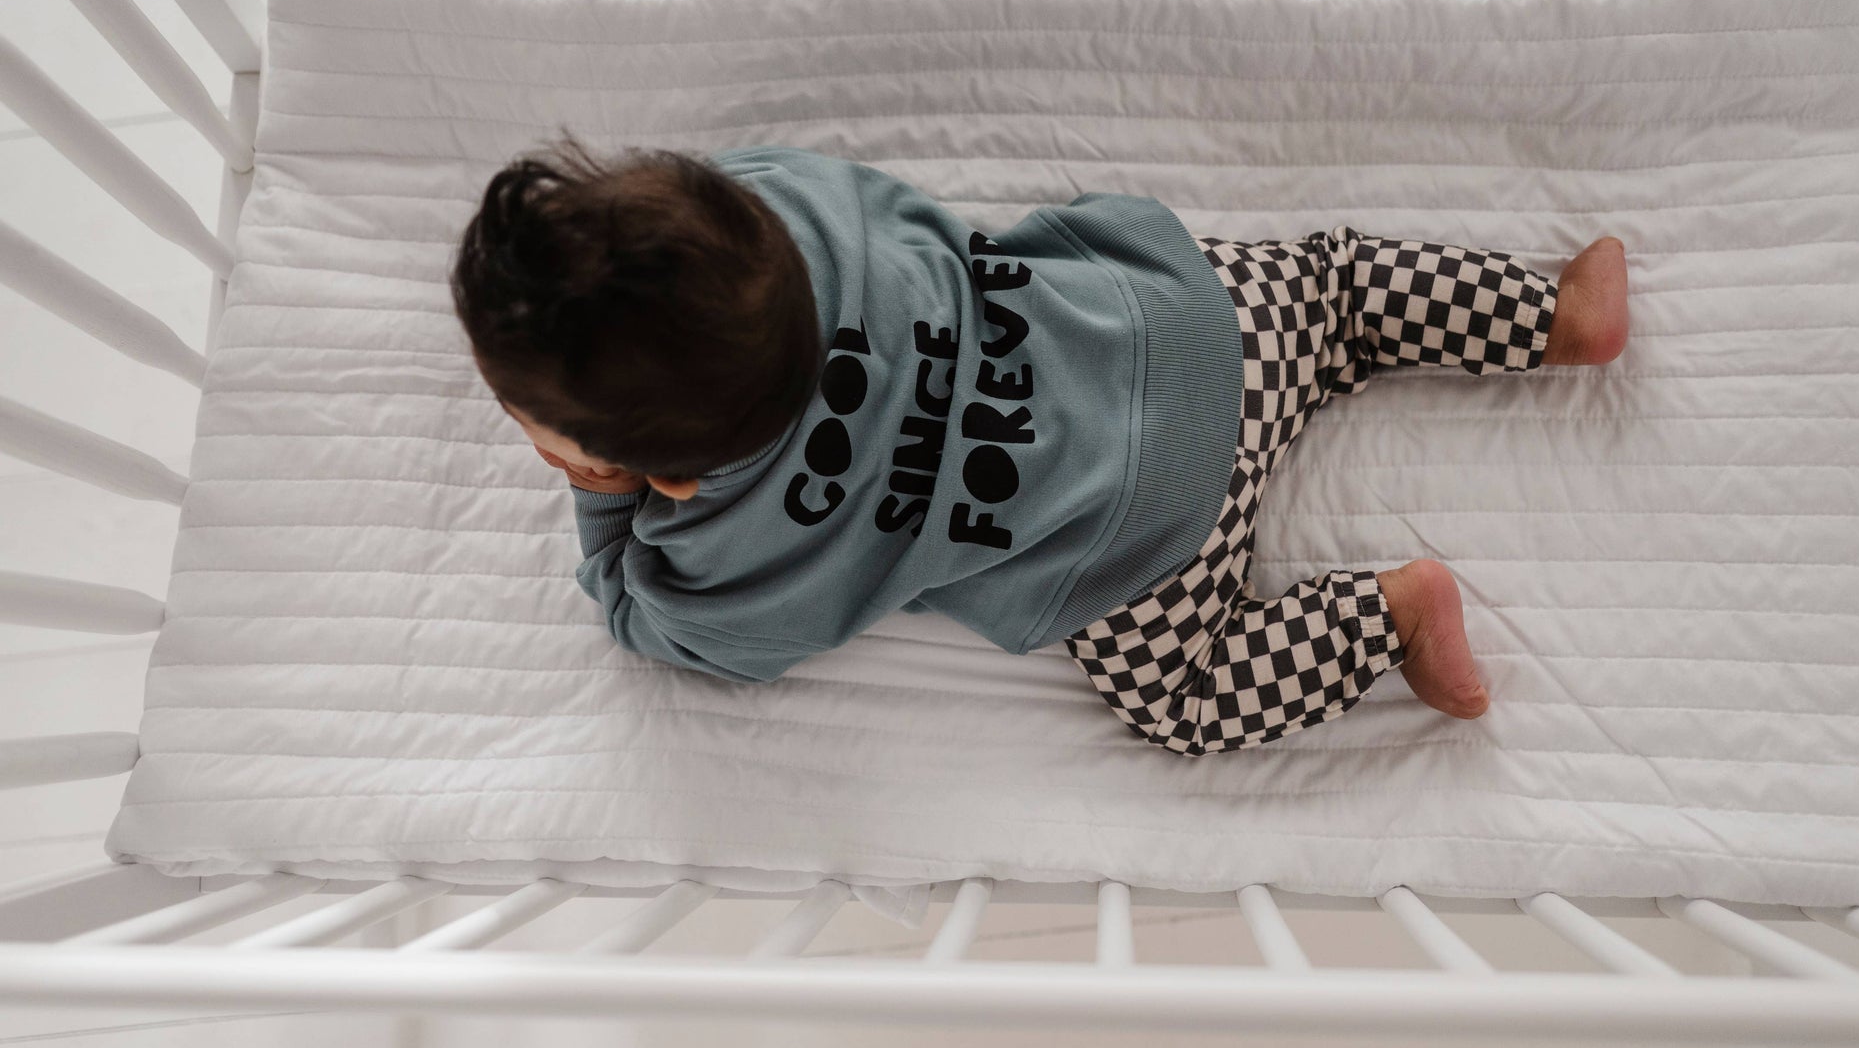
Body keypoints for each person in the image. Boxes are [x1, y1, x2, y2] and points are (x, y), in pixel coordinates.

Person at [450, 137, 1628, 756]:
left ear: (660, 467)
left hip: (1144, 546)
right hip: (1181, 325)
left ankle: (1396, 610)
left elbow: (641, 620)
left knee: (1185, 701)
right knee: (1333, 285)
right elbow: (790, 189)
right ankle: (1551, 318)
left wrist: (607, 506)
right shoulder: (788, 217)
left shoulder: (737, 549)